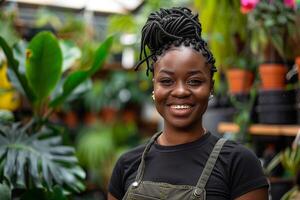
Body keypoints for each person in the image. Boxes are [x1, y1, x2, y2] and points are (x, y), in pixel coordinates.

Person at [108, 7, 269, 200]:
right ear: (154, 87)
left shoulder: (238, 164)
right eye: (166, 81)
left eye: (194, 81)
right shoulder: (127, 164)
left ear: (211, 87)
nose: (181, 91)